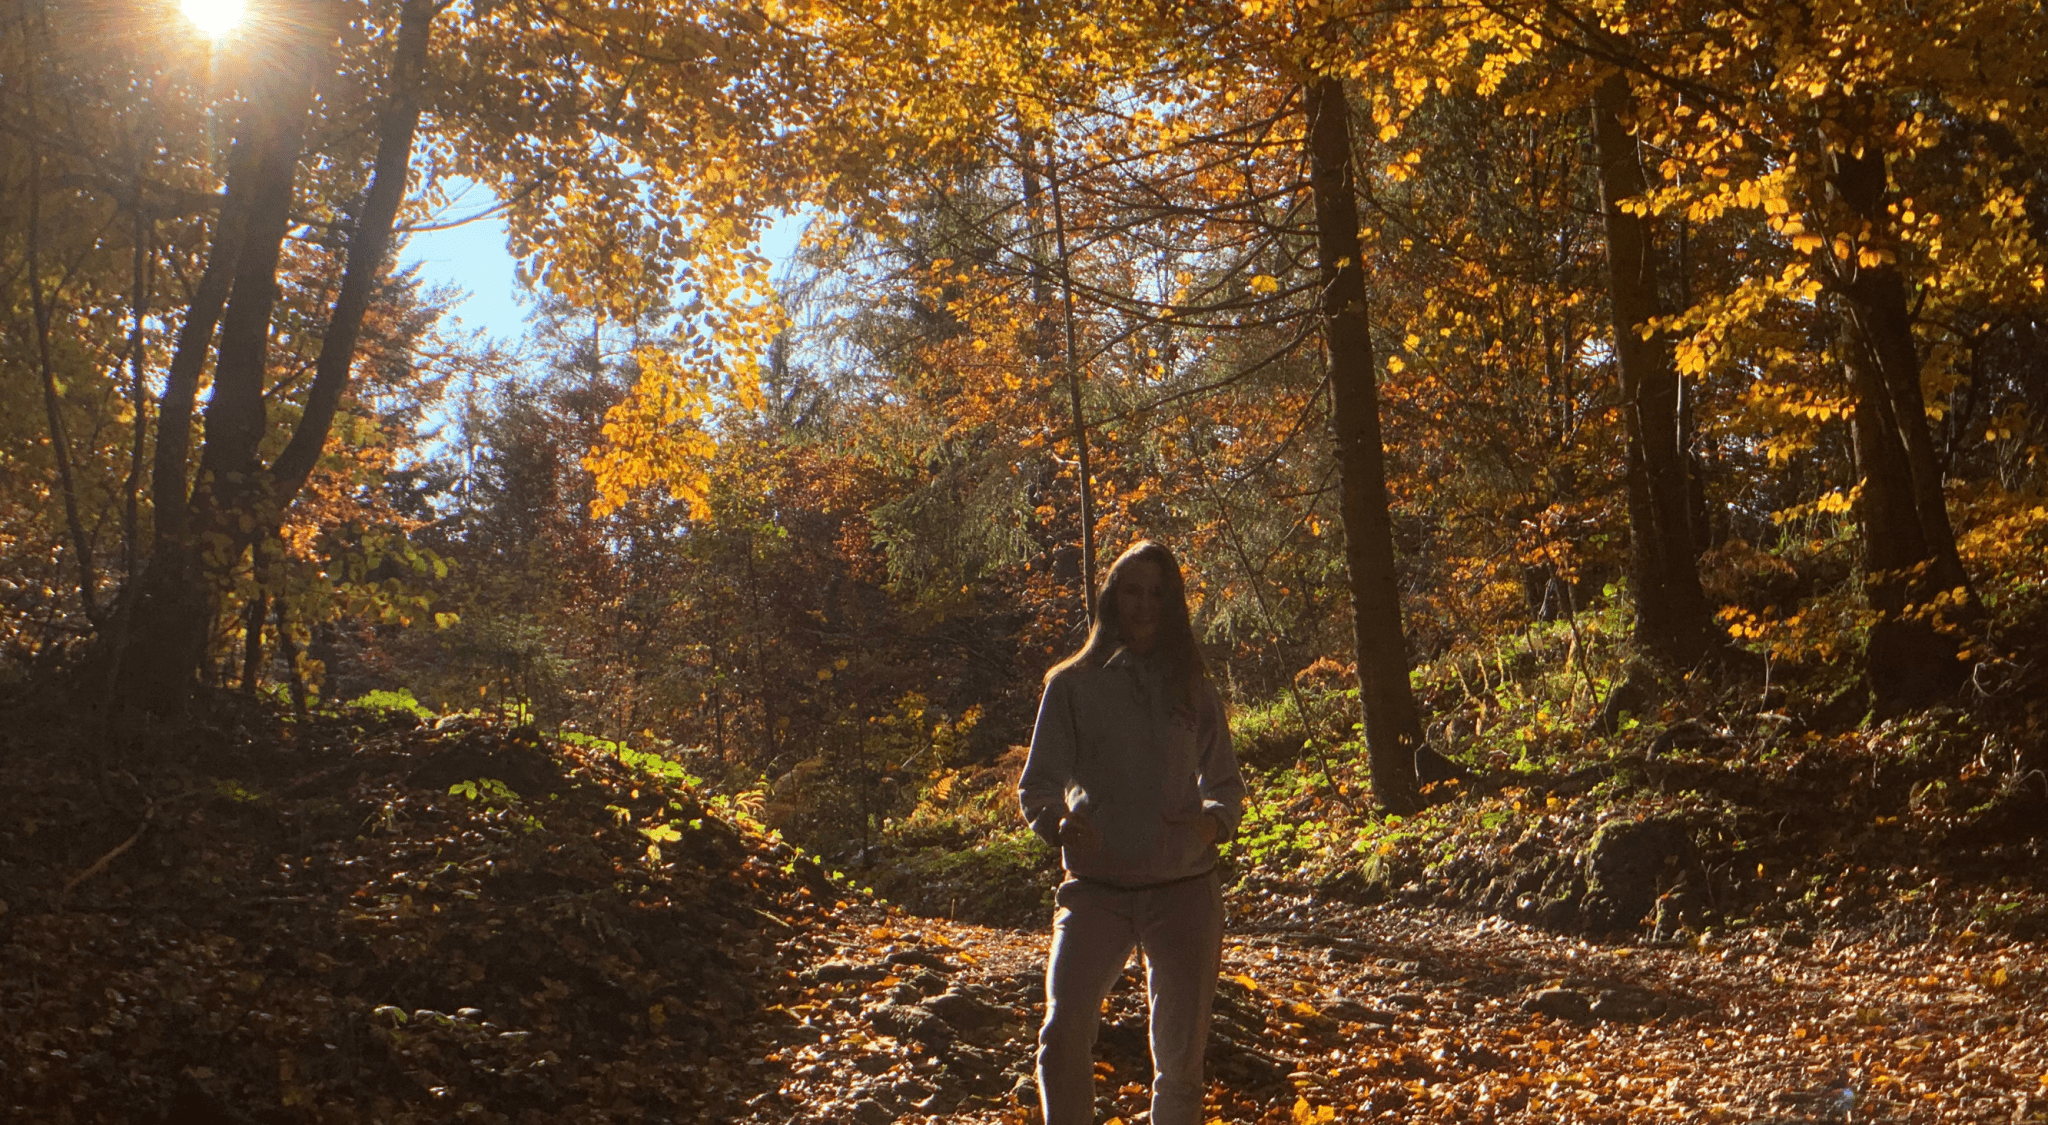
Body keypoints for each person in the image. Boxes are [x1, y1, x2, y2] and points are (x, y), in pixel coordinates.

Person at [1018, 540, 1246, 1125]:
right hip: (1095, 891)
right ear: (1111, 597)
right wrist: (1057, 824)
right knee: (1062, 1037)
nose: (1143, 604)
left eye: (1156, 593)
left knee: (1179, 1065)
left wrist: (1212, 823)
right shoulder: (1071, 685)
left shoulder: (1190, 682)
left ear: (1170, 605)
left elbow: (1224, 780)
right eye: (1132, 590)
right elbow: (1037, 785)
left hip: (1185, 891)